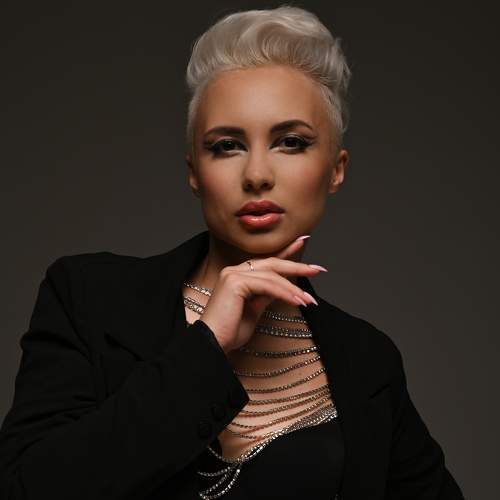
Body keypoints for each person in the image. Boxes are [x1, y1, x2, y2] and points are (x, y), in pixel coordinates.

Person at [0, 5, 465, 500]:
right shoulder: (88, 298)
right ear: (194, 173)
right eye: (226, 146)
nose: (257, 174)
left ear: (336, 169)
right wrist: (206, 347)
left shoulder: (367, 362)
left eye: (291, 142)